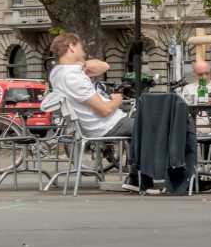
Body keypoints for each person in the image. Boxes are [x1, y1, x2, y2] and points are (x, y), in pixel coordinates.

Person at [44, 33, 146, 192]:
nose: (83, 50)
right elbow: (104, 110)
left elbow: (104, 66)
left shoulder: (57, 72)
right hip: (107, 125)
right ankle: (142, 176)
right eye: (80, 47)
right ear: (71, 47)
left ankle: (138, 174)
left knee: (145, 125)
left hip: (99, 124)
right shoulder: (74, 77)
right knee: (151, 127)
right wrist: (117, 100)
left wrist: (81, 64)